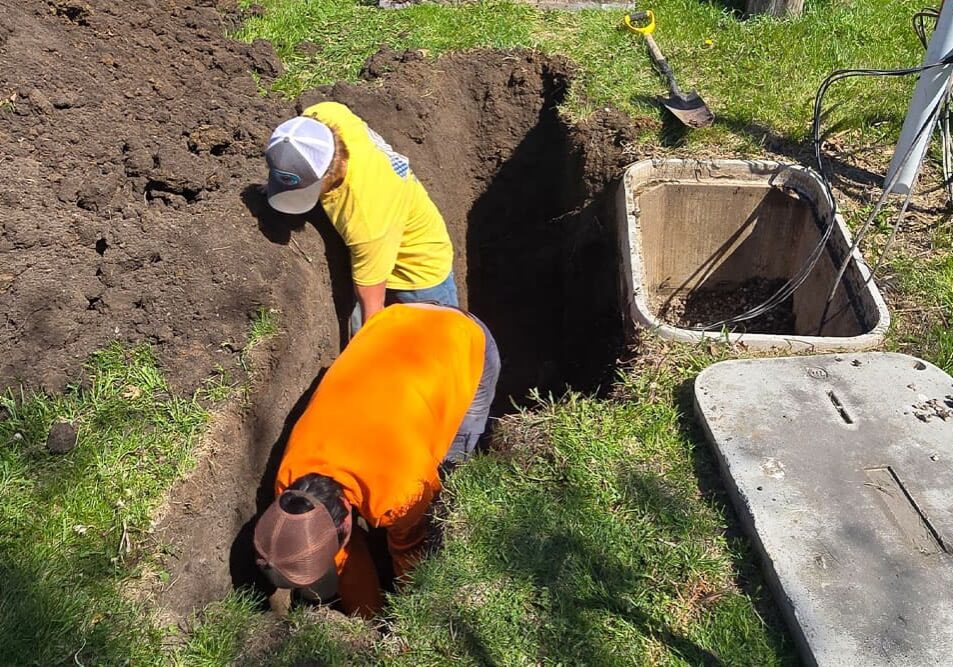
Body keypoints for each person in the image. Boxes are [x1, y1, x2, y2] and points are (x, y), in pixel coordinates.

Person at [253, 302, 500, 617]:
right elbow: (342, 554)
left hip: (461, 341)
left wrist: (410, 618)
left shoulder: (401, 494)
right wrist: (367, 618)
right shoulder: (292, 480)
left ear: (345, 521)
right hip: (391, 323)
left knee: (451, 466)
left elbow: (412, 552)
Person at [264, 102, 457, 333]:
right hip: (385, 237)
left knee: (434, 349)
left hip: (418, 276)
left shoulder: (367, 219)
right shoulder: (326, 114)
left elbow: (372, 312)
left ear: (330, 173)